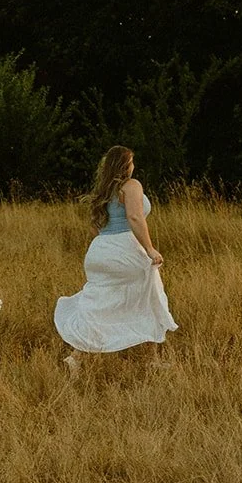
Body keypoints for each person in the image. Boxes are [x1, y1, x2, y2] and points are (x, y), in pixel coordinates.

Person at [54, 145, 178, 365]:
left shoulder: (103, 190)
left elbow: (96, 227)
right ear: (125, 166)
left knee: (101, 304)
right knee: (149, 296)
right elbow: (135, 217)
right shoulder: (131, 185)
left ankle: (76, 357)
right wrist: (149, 249)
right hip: (124, 248)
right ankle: (152, 359)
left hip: (99, 250)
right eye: (131, 162)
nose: (133, 166)